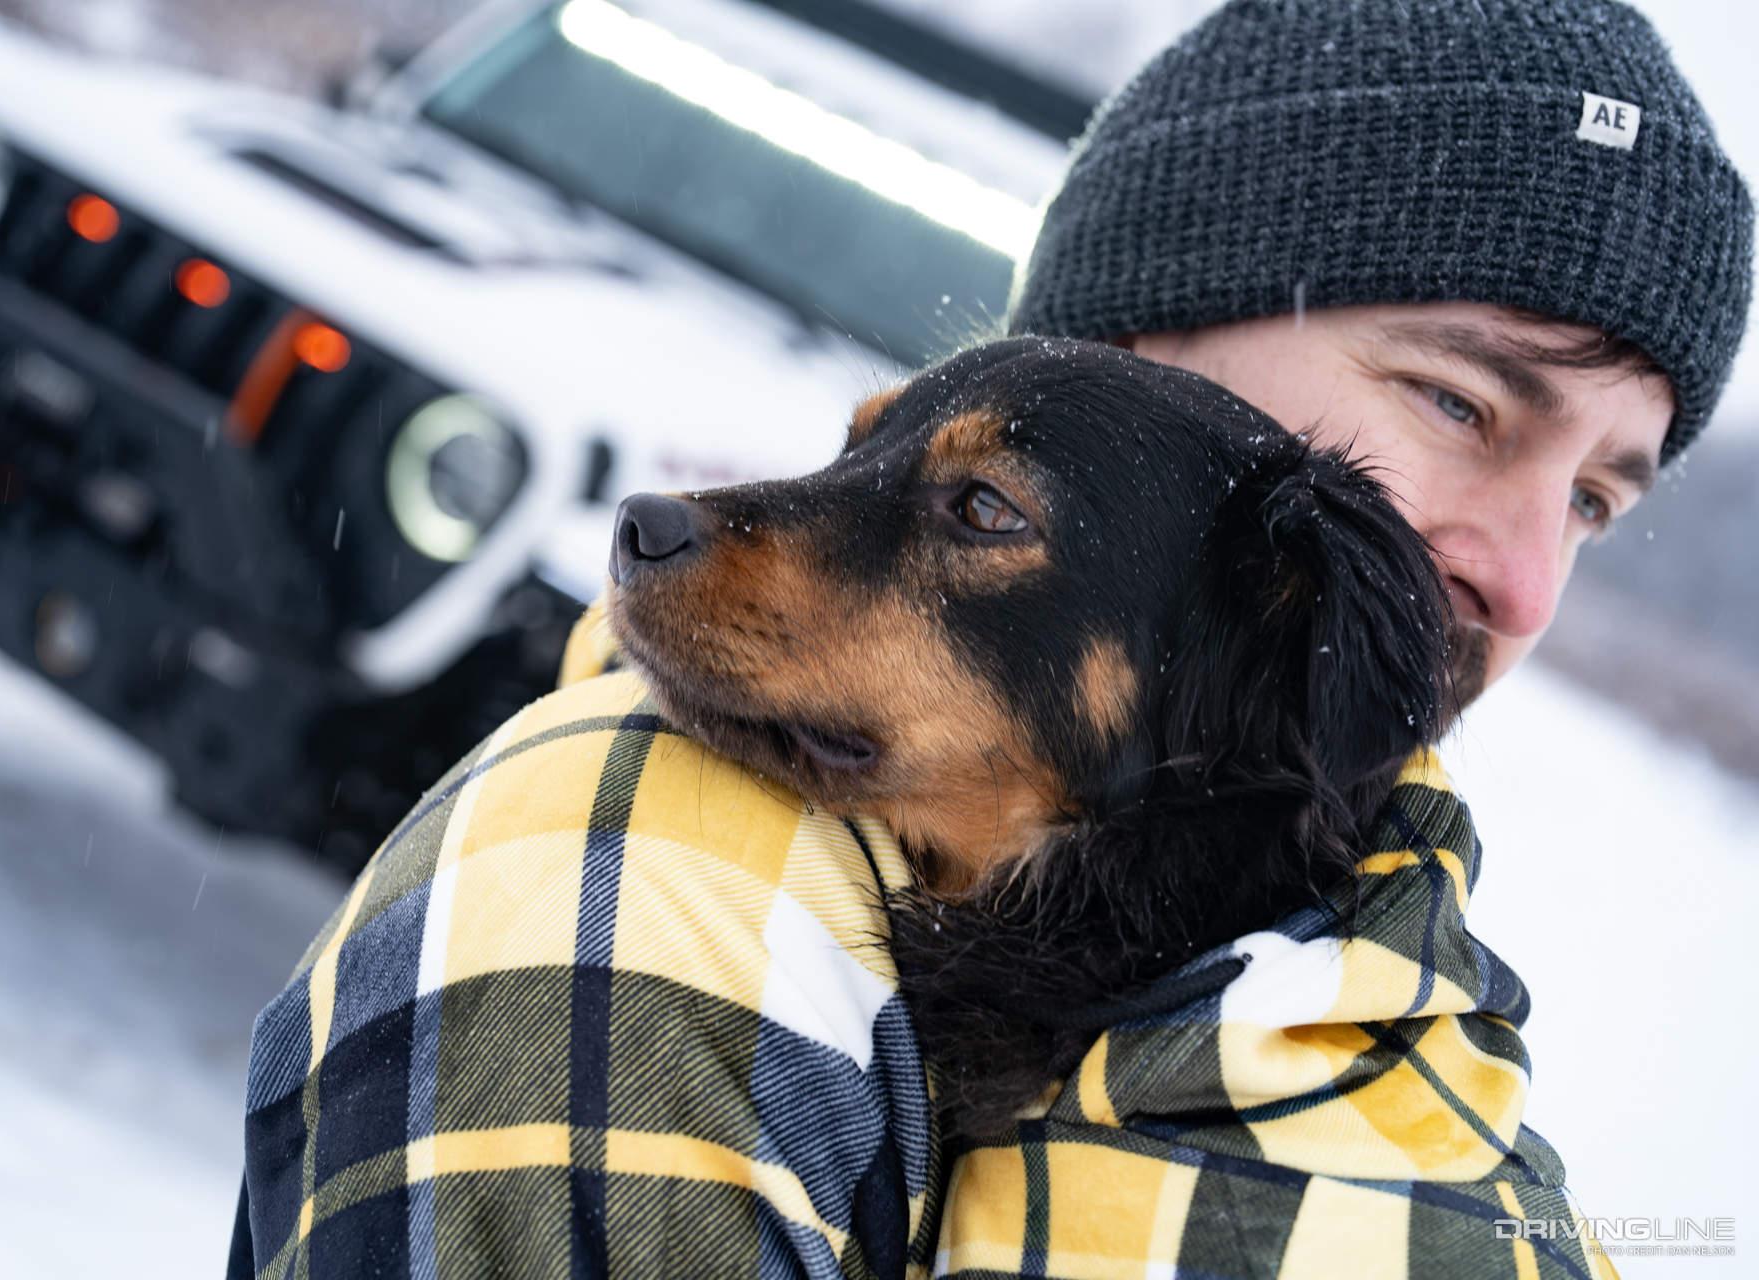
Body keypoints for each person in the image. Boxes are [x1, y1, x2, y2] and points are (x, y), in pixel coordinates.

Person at [228, 1, 1750, 1277]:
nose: (1524, 580)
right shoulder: (662, 879)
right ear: (1138, 342)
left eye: (1599, 501)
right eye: (1458, 403)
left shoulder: (1405, 1019)